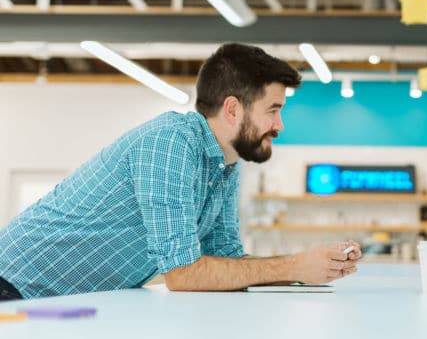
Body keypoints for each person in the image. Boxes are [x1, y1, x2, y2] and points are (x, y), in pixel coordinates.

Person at [0, 43, 361, 300]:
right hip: (15, 287)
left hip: (59, 301)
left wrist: (314, 266)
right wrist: (293, 267)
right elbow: (184, 274)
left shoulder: (225, 164)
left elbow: (227, 263)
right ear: (233, 110)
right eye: (272, 110)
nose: (279, 125)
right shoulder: (170, 142)